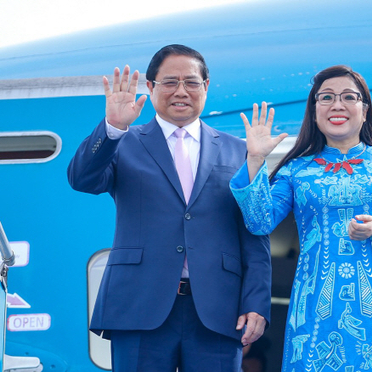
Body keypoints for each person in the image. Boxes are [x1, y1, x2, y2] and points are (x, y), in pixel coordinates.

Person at [67, 44, 271, 372]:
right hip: (138, 304)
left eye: (191, 82)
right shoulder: (125, 142)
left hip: (218, 310)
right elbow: (82, 179)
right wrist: (112, 127)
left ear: (206, 87)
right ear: (150, 87)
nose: (181, 91)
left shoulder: (239, 151)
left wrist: (256, 304)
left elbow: (255, 233)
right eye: (169, 82)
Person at [230, 65, 372, 371]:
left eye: (348, 97)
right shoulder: (296, 170)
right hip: (316, 309)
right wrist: (256, 159)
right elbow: (259, 221)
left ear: (364, 110)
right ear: (314, 112)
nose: (337, 105)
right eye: (326, 97)